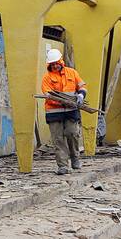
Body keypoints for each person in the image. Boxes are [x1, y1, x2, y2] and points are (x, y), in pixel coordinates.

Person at [41, 48, 87, 176]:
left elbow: (82, 86)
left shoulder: (72, 73)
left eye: (56, 63)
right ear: (49, 65)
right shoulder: (47, 78)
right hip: (54, 112)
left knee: (72, 134)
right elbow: (47, 94)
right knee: (58, 139)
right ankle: (63, 166)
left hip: (71, 111)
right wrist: (62, 101)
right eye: (52, 64)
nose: (55, 65)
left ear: (61, 61)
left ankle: (75, 158)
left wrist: (81, 95)